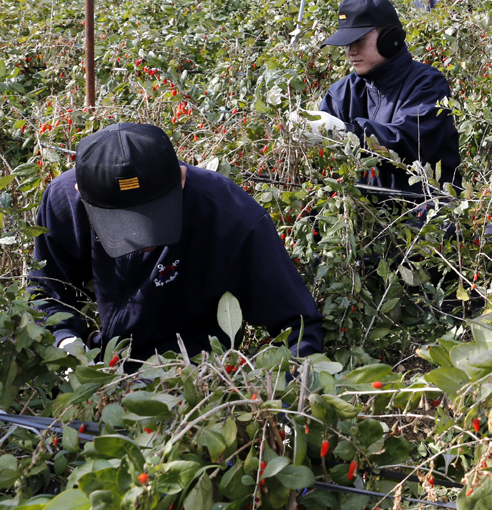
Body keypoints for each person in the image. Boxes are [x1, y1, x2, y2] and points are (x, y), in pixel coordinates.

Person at [30, 123, 324, 362]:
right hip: (102, 360)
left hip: (190, 367)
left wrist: (284, 394)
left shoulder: (231, 217)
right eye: (121, 223)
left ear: (182, 179)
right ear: (81, 194)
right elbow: (47, 292)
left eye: (154, 217)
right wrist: (65, 342)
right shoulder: (63, 201)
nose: (141, 241)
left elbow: (297, 325)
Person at [294, 0, 462, 197]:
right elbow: (328, 166)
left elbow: (409, 145)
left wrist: (345, 133)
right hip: (363, 210)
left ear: (390, 38)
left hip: (424, 208)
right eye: (346, 43)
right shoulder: (341, 92)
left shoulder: (428, 84)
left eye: (359, 40)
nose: (351, 51)